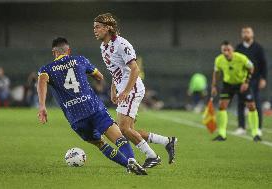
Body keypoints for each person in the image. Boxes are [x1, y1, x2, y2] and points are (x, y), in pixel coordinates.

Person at [37, 37, 147, 175]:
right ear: (68, 50)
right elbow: (99, 76)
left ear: (54, 52)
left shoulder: (46, 69)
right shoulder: (80, 60)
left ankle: (127, 165)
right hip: (93, 108)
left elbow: (41, 81)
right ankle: (131, 160)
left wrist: (42, 106)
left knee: (101, 144)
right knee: (118, 137)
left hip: (75, 117)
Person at [93, 13, 177, 168]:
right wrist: (113, 89)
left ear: (107, 28)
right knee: (128, 130)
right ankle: (167, 141)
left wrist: (125, 91)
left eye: (97, 27)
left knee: (123, 128)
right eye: (94, 27)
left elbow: (135, 69)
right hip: (122, 90)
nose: (95, 30)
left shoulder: (122, 44)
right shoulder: (103, 47)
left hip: (132, 89)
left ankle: (152, 156)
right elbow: (116, 70)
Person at [211, 41, 261, 142]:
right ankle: (222, 134)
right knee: (222, 106)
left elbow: (251, 68)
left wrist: (246, 82)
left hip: (241, 83)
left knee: (251, 106)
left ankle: (255, 133)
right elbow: (216, 72)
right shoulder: (219, 60)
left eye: (228, 50)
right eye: (224, 50)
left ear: (232, 50)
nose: (226, 52)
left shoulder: (241, 58)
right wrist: (214, 86)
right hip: (228, 84)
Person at [235, 27, 268, 136]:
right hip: (241, 80)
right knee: (240, 103)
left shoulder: (258, 48)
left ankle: (258, 127)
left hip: (255, 80)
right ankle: (241, 127)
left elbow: (263, 64)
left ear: (252, 34)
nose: (246, 34)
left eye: (248, 32)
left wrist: (263, 78)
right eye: (243, 32)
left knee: (256, 103)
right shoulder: (238, 48)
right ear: (241, 35)